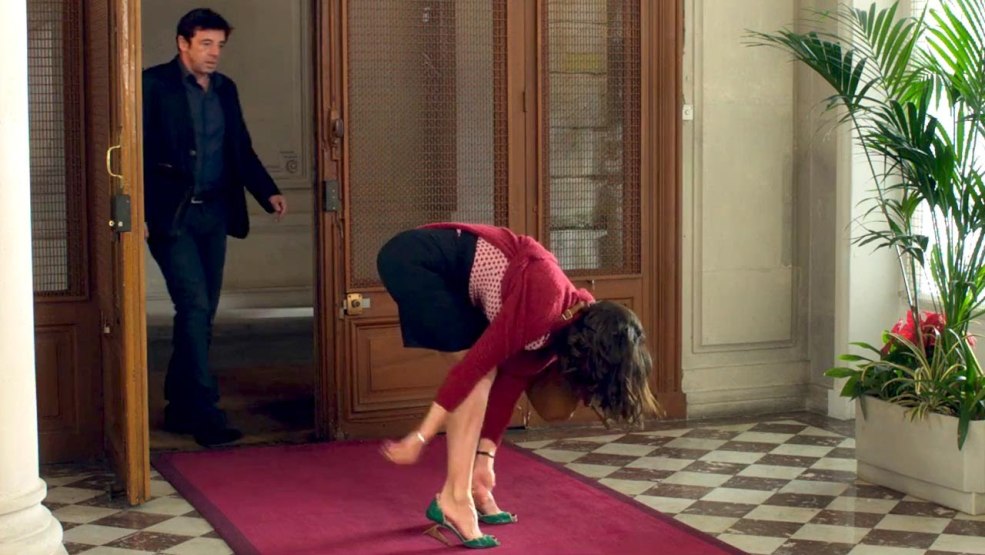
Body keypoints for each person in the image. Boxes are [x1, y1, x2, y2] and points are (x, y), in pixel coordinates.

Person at [377, 223, 660, 548]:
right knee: (479, 376)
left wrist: (486, 459)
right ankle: (454, 499)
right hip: (417, 259)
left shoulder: (559, 335)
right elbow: (470, 371)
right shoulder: (545, 302)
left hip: (456, 283)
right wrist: (420, 436)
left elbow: (510, 383)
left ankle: (470, 490)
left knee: (488, 377)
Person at [142, 8, 287, 447]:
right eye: (206, 43)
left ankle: (179, 407)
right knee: (194, 306)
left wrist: (267, 192)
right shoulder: (153, 85)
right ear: (182, 43)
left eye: (219, 45)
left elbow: (240, 147)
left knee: (201, 314)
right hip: (171, 216)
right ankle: (205, 413)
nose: (214, 53)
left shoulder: (225, 89)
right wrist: (140, 212)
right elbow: (135, 152)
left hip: (214, 214)